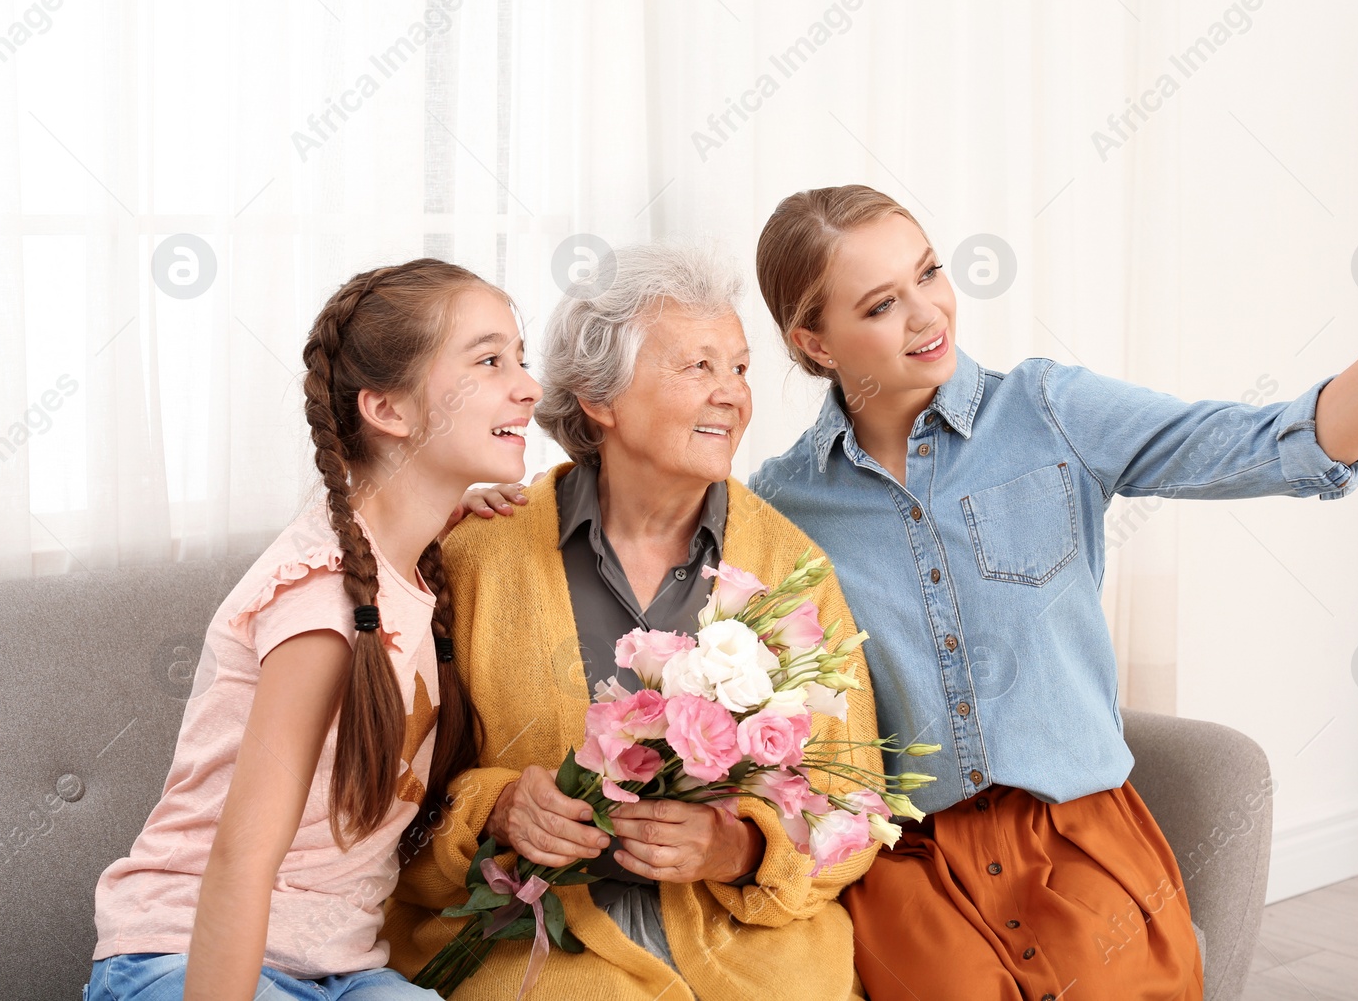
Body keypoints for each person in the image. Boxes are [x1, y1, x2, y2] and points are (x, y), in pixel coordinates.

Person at [742, 183, 1358, 1001]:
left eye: (930, 273)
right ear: (814, 342)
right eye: (883, 304)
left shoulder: (1045, 411)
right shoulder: (783, 508)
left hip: (1081, 841)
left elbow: (1278, 446)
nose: (929, 314)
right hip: (907, 868)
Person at [385, 243, 883, 1000]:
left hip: (747, 956)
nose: (732, 394)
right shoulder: (477, 553)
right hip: (532, 951)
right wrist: (497, 811)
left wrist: (740, 847)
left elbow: (855, 803)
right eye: (697, 367)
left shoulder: (793, 568)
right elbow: (381, 800)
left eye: (740, 368)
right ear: (599, 397)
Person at [86, 259, 541, 1001]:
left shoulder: (403, 564)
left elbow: (390, 528)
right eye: (490, 361)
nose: (528, 386)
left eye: (522, 358)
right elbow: (240, 858)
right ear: (387, 411)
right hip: (187, 957)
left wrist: (448, 505)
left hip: (340, 969)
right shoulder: (323, 603)